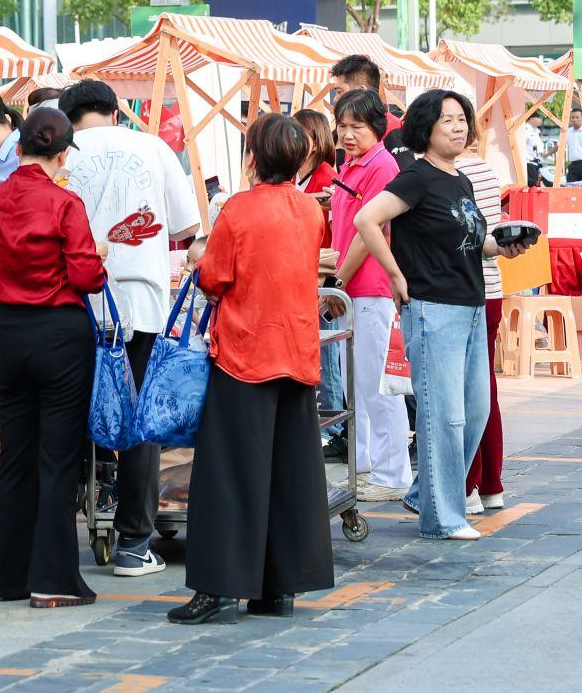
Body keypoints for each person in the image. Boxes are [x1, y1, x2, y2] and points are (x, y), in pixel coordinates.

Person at [170, 114, 335, 625]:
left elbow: (214, 277)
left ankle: (220, 588)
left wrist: (199, 263)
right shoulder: (309, 209)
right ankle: (279, 588)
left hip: (246, 350)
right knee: (290, 472)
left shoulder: (239, 209)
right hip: (297, 349)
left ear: (254, 158)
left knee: (229, 475)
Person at [343, 89, 526, 540]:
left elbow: (471, 243)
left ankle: (425, 491)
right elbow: (367, 220)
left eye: (462, 118)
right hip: (432, 309)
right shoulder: (417, 176)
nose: (459, 127)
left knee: (475, 412)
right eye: (448, 120)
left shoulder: (460, 180)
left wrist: (501, 246)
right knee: (444, 416)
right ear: (426, 128)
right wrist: (395, 274)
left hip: (471, 306)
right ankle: (442, 518)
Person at [58, 79, 200, 579]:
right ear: (115, 111)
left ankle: (58, 538)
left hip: (75, 304)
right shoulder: (152, 147)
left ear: (68, 116)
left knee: (68, 417)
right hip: (140, 305)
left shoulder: (61, 153)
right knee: (141, 423)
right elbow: (186, 227)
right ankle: (134, 544)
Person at [0, 108, 107, 607]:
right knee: (57, 458)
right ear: (62, 154)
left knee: (17, 455)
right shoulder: (65, 202)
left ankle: (10, 577)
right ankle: (53, 579)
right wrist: (100, 260)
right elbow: (87, 277)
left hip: (9, 331)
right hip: (59, 333)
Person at [328, 90, 412, 502]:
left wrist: (338, 281)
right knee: (357, 386)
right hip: (351, 288)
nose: (347, 134)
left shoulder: (381, 165)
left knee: (379, 387)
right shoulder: (352, 164)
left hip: (370, 287)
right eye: (342, 126)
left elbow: (370, 231)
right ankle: (363, 466)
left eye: (356, 127)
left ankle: (392, 475)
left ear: (376, 128)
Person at [455, 146, 511, 514]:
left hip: (464, 290)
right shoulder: (486, 171)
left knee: (464, 393)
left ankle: (469, 484)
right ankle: (490, 484)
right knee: (483, 388)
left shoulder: (448, 173)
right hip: (489, 288)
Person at [331, 56, 409, 166]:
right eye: (343, 126)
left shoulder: (392, 127)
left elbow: (404, 173)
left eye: (339, 91)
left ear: (362, 90)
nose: (335, 99)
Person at [293, 109, 340, 239]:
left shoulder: (329, 179)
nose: (290, 141)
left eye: (298, 136)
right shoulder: (289, 173)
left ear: (316, 144)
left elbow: (335, 235)